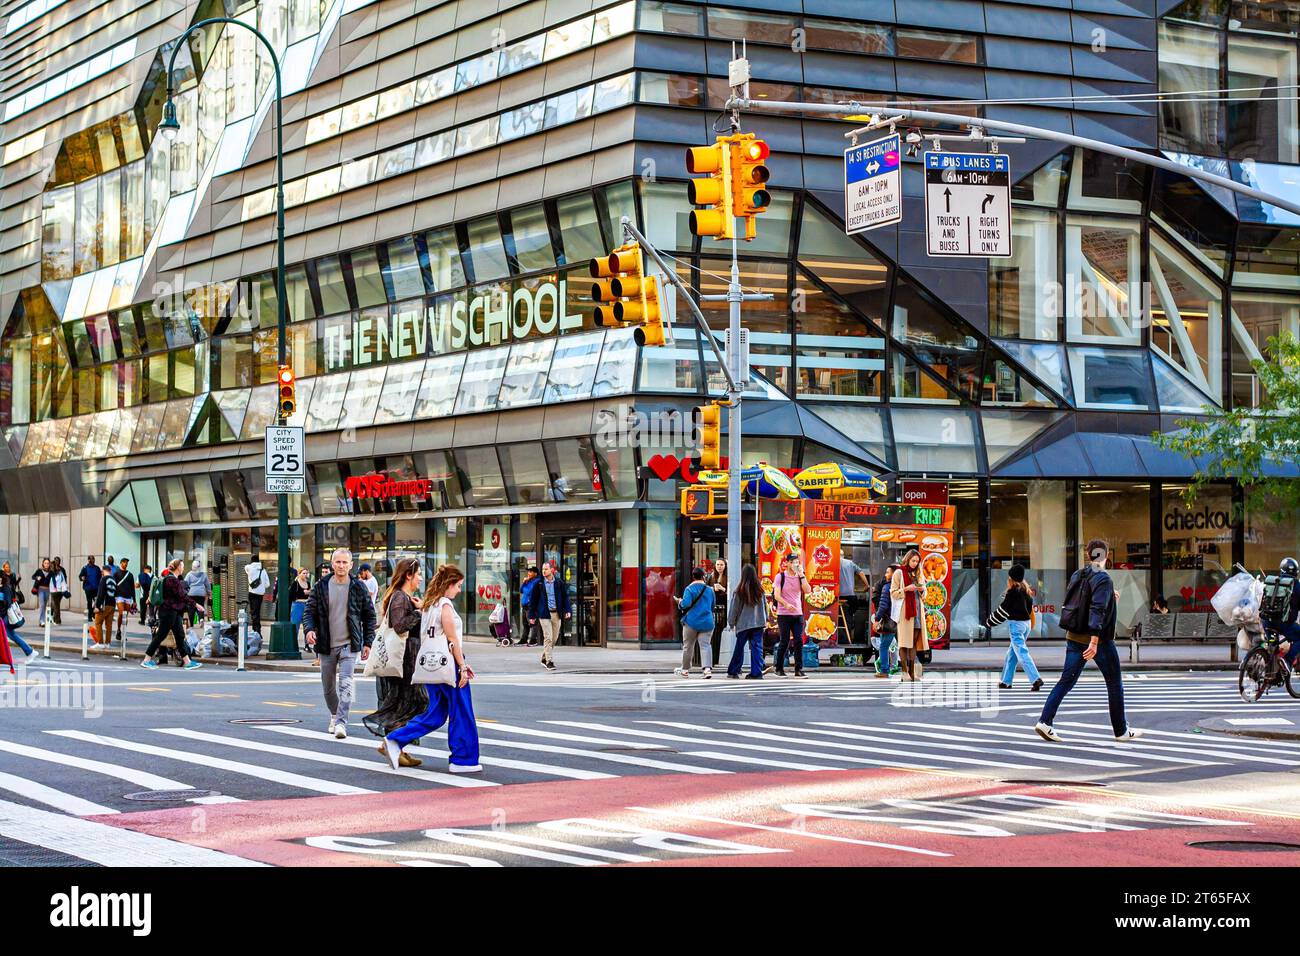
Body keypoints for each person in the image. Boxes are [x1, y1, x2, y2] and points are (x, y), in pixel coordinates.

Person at [1036, 539, 1141, 743]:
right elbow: (1097, 610)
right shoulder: (1103, 578)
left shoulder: (1078, 574)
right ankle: (1120, 730)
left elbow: (1082, 602)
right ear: (1106, 555)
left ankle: (1045, 721)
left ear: (1088, 554)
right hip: (1098, 641)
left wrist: (1110, 597)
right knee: (1114, 683)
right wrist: (1094, 642)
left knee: (1066, 681)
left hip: (1074, 637)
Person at [382, 565, 480, 774]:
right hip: (448, 665)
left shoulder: (428, 606)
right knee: (462, 712)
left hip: (429, 666)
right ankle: (463, 760)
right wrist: (462, 666)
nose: (460, 590)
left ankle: (395, 740)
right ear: (449, 584)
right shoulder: (444, 605)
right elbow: (451, 640)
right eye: (458, 585)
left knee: (435, 714)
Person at [303, 548, 377, 740]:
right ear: (332, 563)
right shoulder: (321, 586)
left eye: (345, 562)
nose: (341, 566)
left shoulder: (358, 587)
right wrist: (309, 630)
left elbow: (369, 616)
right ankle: (335, 714)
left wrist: (368, 642)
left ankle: (341, 722)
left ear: (351, 565)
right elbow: (309, 611)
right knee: (327, 686)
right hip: (326, 644)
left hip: (349, 644)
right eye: (338, 562)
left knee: (346, 683)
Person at [363, 557, 428, 766]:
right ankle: (391, 743)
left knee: (406, 703)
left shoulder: (404, 596)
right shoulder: (400, 597)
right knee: (413, 702)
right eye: (418, 574)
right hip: (403, 660)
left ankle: (396, 746)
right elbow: (400, 626)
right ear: (408, 575)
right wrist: (419, 613)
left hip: (408, 658)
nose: (420, 578)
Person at [987, 564, 1042, 691]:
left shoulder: (1012, 593)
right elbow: (1029, 610)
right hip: (1026, 624)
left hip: (1016, 625)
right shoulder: (1026, 591)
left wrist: (989, 622)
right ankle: (1006, 681)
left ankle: (1035, 678)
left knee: (1022, 653)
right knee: (1012, 653)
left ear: (1011, 578)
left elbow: (1003, 611)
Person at [140, 559, 203, 670]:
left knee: (179, 636)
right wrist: (196, 605)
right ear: (178, 567)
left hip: (173, 612)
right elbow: (182, 596)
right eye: (182, 566)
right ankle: (146, 660)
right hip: (168, 612)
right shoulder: (171, 580)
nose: (183, 568)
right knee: (160, 636)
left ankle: (187, 662)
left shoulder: (170, 578)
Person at [891, 549, 928, 681]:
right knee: (903, 642)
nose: (915, 563)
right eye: (913, 560)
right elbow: (893, 593)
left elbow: (925, 593)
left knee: (913, 643)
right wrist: (906, 589)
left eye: (917, 561)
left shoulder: (918, 573)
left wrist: (923, 590)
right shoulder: (899, 573)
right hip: (904, 612)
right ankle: (904, 672)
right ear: (907, 559)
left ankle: (912, 673)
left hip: (917, 612)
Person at [772, 552, 811, 678]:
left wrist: (802, 574)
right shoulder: (780, 576)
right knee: (784, 641)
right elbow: (777, 595)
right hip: (783, 614)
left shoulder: (800, 576)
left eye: (797, 562)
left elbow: (808, 590)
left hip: (797, 613)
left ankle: (798, 670)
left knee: (799, 641)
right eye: (792, 562)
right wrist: (786, 604)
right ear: (787, 563)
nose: (795, 564)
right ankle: (779, 668)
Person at [527, 561, 570, 671]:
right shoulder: (539, 584)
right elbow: (533, 600)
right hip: (544, 614)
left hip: (557, 613)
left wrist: (567, 610)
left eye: (546, 569)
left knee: (554, 638)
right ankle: (549, 661)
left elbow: (565, 597)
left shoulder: (559, 583)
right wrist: (531, 616)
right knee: (548, 637)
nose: (543, 571)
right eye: (542, 569)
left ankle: (544, 658)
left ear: (552, 570)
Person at [726, 564, 766, 680]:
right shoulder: (760, 591)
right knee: (757, 647)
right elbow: (765, 607)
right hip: (758, 622)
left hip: (743, 624)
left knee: (739, 647)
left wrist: (731, 622)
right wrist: (765, 619)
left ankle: (734, 670)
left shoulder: (739, 591)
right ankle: (756, 672)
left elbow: (734, 609)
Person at [675, 567, 715, 679]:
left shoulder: (689, 589)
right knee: (706, 645)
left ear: (693, 576)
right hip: (707, 622)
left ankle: (685, 670)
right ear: (703, 576)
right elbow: (712, 606)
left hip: (691, 622)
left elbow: (685, 604)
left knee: (688, 646)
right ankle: (707, 669)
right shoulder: (710, 590)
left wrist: (679, 602)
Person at [0, 562, 38, 664]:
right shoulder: (1, 588)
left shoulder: (5, 588)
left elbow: (7, 604)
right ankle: (30, 651)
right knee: (12, 635)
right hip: (3, 616)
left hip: (5, 616)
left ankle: (30, 652)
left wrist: (1, 614)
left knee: (9, 635)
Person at [872, 562, 898, 679]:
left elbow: (883, 605)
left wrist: (877, 619)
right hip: (896, 620)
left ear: (893, 575)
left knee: (883, 646)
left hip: (888, 621)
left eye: (888, 572)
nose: (885, 574)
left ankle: (884, 670)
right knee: (887, 645)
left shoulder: (887, 587)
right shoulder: (898, 587)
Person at [92, 559, 119, 650]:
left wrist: (97, 606)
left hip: (105, 604)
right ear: (110, 571)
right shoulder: (113, 580)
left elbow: (100, 593)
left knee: (98, 622)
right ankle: (107, 643)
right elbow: (116, 593)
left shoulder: (103, 579)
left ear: (103, 571)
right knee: (109, 625)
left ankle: (100, 643)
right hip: (112, 604)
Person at [707, 558, 727, 667]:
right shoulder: (711, 576)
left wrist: (723, 588)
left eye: (722, 564)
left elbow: (731, 592)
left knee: (720, 631)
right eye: (718, 564)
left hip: (724, 607)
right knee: (713, 633)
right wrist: (712, 589)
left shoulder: (728, 577)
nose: (719, 567)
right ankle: (713, 658)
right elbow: (706, 589)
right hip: (714, 607)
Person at [112, 557, 136, 644]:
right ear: (121, 563)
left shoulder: (130, 575)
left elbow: (132, 588)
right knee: (121, 613)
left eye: (127, 563)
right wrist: (112, 596)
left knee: (125, 616)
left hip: (128, 597)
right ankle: (118, 630)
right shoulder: (116, 574)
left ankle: (124, 632)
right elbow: (113, 586)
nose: (126, 564)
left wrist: (134, 600)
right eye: (124, 562)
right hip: (119, 597)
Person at [288, 566, 312, 651]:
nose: (305, 575)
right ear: (299, 573)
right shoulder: (295, 583)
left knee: (307, 625)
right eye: (303, 573)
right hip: (297, 604)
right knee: (295, 625)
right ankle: (293, 644)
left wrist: (309, 592)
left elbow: (310, 594)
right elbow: (291, 595)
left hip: (306, 604)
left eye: (306, 573)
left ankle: (307, 645)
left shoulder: (308, 583)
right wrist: (302, 592)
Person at [246, 558, 270, 633]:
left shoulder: (249, 568)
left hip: (252, 593)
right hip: (260, 594)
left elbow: (246, 567)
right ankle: (257, 629)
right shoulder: (263, 570)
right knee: (257, 611)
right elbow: (267, 584)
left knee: (254, 611)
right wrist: (261, 586)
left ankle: (256, 630)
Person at [519, 566, 541, 647]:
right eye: (528, 572)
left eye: (530, 572)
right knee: (525, 624)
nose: (528, 573)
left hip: (530, 606)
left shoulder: (537, 581)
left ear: (535, 573)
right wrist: (524, 582)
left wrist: (527, 581)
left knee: (533, 623)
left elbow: (530, 591)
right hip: (524, 605)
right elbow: (521, 590)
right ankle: (523, 639)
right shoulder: (528, 581)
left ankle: (533, 640)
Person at [183, 559, 210, 625]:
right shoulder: (203, 574)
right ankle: (201, 619)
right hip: (201, 594)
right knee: (200, 607)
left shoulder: (189, 574)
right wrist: (209, 592)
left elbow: (185, 584)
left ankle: (191, 623)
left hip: (191, 594)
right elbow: (207, 584)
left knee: (191, 608)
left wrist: (184, 592)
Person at [79, 555, 101, 623]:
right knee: (89, 602)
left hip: (96, 588)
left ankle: (93, 614)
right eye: (91, 559)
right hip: (88, 588)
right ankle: (89, 616)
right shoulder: (85, 568)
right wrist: (82, 578)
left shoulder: (97, 568)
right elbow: (80, 576)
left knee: (96, 602)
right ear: (88, 560)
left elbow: (100, 577)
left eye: (93, 559)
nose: (92, 560)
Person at [32, 558, 51, 627]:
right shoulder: (39, 570)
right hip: (40, 589)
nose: (46, 564)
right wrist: (37, 577)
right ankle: (42, 621)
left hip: (47, 590)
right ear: (43, 564)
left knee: (44, 606)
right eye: (45, 563)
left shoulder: (51, 572)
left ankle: (42, 620)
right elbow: (33, 576)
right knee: (42, 605)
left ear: (49, 564)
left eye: (48, 563)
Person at [48, 557, 67, 626]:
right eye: (56, 560)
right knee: (57, 605)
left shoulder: (61, 570)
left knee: (56, 604)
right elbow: (49, 580)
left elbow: (64, 579)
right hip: (54, 590)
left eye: (58, 561)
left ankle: (51, 615)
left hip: (60, 590)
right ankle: (57, 620)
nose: (57, 562)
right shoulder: (51, 571)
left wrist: (65, 588)